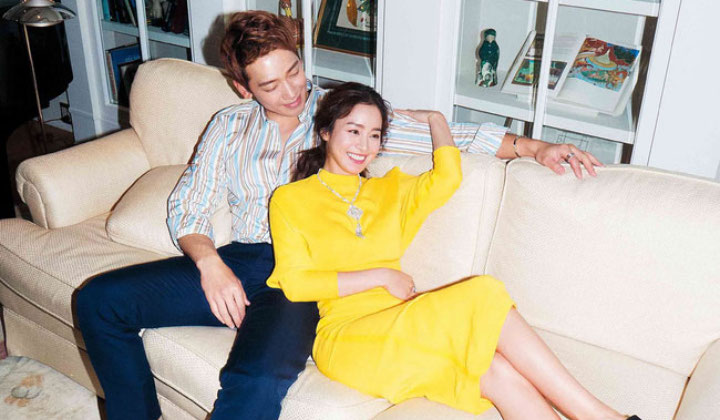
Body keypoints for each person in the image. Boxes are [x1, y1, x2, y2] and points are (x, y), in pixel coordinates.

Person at [76, 11, 602, 420]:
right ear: (242, 88)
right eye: (270, 85)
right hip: (243, 258)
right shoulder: (227, 126)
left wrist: (535, 148)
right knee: (100, 302)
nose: (291, 91)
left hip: (307, 278)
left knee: (256, 378)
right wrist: (209, 262)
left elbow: (449, 138)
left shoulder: (338, 113)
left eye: (294, 71)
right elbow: (188, 204)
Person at [267, 82, 640, 419]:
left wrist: (436, 120)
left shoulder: (389, 188)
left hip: (402, 324)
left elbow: (448, 176)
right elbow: (296, 284)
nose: (363, 146)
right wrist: (380, 276)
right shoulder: (291, 199)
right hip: (346, 339)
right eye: (353, 131)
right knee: (483, 291)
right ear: (326, 131)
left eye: (374, 135)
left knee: (496, 371)